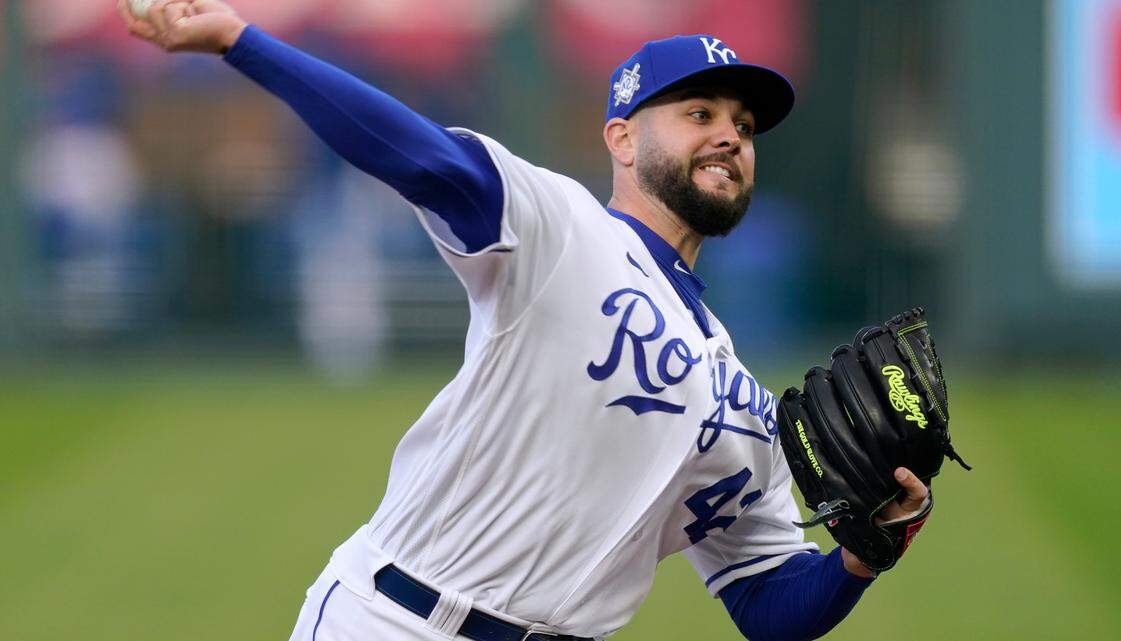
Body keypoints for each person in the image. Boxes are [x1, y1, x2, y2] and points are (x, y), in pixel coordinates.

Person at [121, 2, 932, 640]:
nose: (729, 134)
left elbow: (766, 606)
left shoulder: (748, 410)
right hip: (397, 620)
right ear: (621, 136)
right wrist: (243, 42)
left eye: (744, 127)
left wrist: (859, 558)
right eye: (698, 112)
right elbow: (417, 154)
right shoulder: (558, 229)